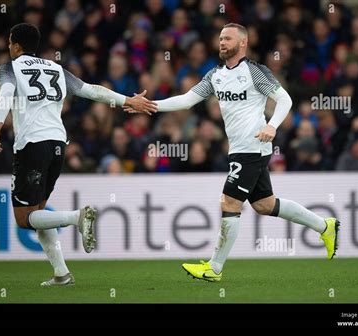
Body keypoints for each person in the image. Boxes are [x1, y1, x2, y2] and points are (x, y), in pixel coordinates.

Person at [126, 23, 340, 282]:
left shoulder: (254, 71)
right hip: (239, 148)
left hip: (252, 147)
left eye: (228, 38)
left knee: (229, 202)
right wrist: (149, 106)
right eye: (220, 39)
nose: (222, 42)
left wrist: (272, 126)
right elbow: (186, 99)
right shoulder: (215, 75)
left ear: (243, 43)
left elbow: (285, 100)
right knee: (265, 204)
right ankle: (324, 226)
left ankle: (214, 268)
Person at [0, 23, 156, 286]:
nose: (9, 47)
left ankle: (76, 217)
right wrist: (128, 100)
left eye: (10, 42)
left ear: (17, 46)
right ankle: (61, 274)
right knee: (40, 213)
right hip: (58, 144)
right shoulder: (55, 68)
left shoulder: (9, 68)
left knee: (24, 219)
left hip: (33, 144)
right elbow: (91, 90)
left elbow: (7, 93)